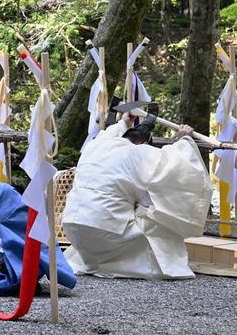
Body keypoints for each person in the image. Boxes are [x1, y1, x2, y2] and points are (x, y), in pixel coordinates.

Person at [62, 115, 211, 280]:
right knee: (159, 218)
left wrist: (124, 122)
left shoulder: (96, 145)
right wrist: (183, 140)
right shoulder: (138, 153)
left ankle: (94, 260)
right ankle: (143, 264)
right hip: (103, 230)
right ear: (144, 145)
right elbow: (174, 169)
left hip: (72, 228)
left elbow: (109, 133)